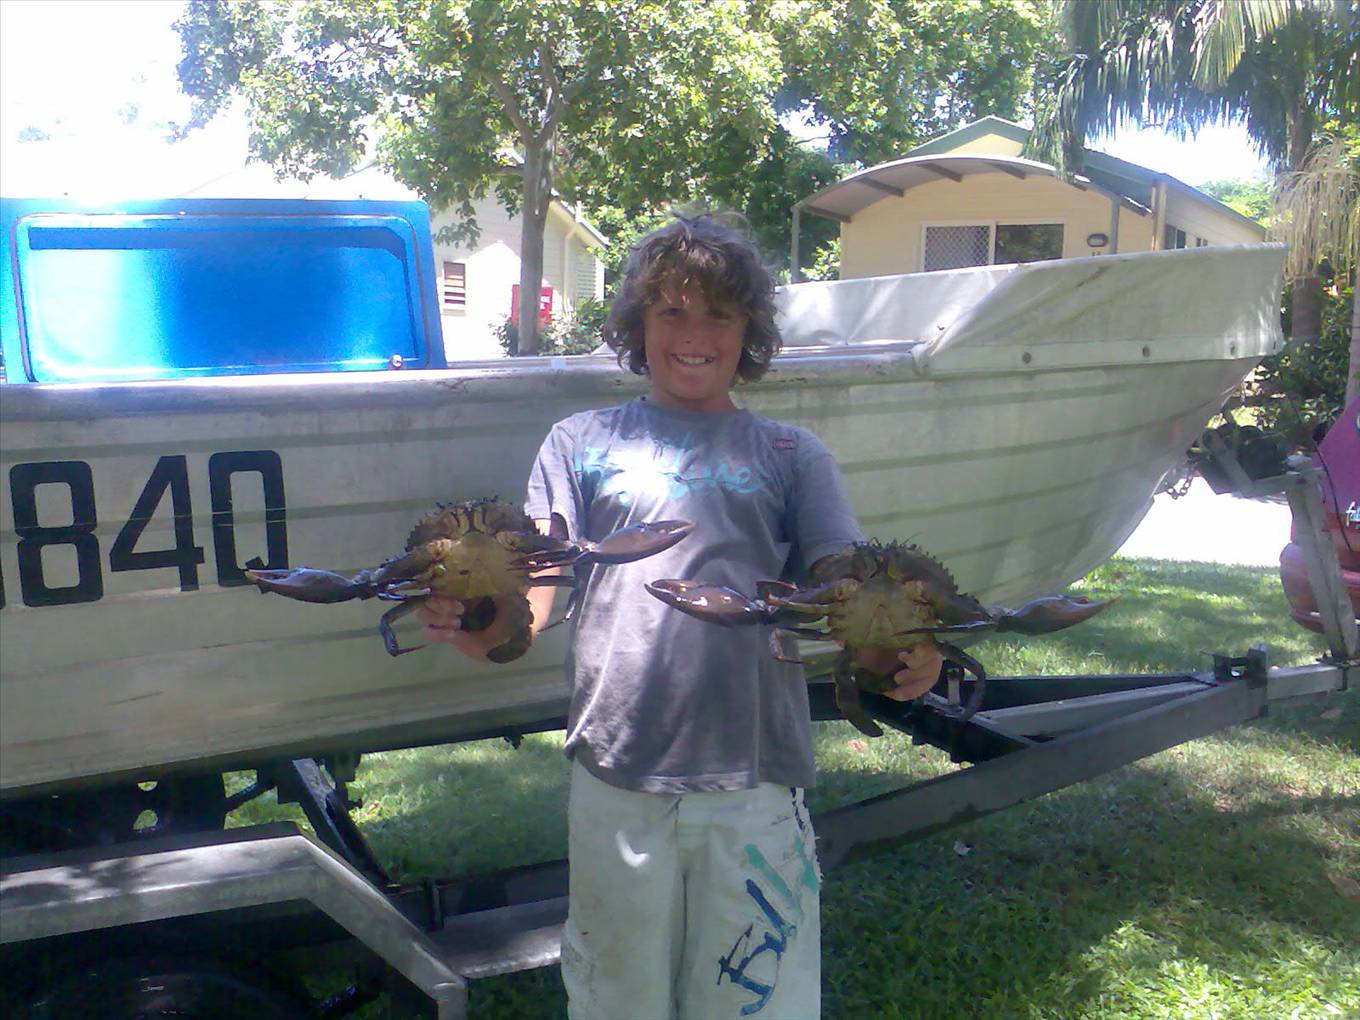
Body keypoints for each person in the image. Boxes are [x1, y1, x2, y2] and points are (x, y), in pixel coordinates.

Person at [416, 215, 941, 1019]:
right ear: (637, 325)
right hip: (618, 777)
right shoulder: (579, 443)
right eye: (671, 312)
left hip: (755, 781)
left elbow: (846, 602)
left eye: (719, 315)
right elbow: (536, 600)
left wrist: (901, 659)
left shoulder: (793, 455)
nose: (694, 335)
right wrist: (476, 624)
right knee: (617, 996)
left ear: (749, 331)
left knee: (754, 1001)